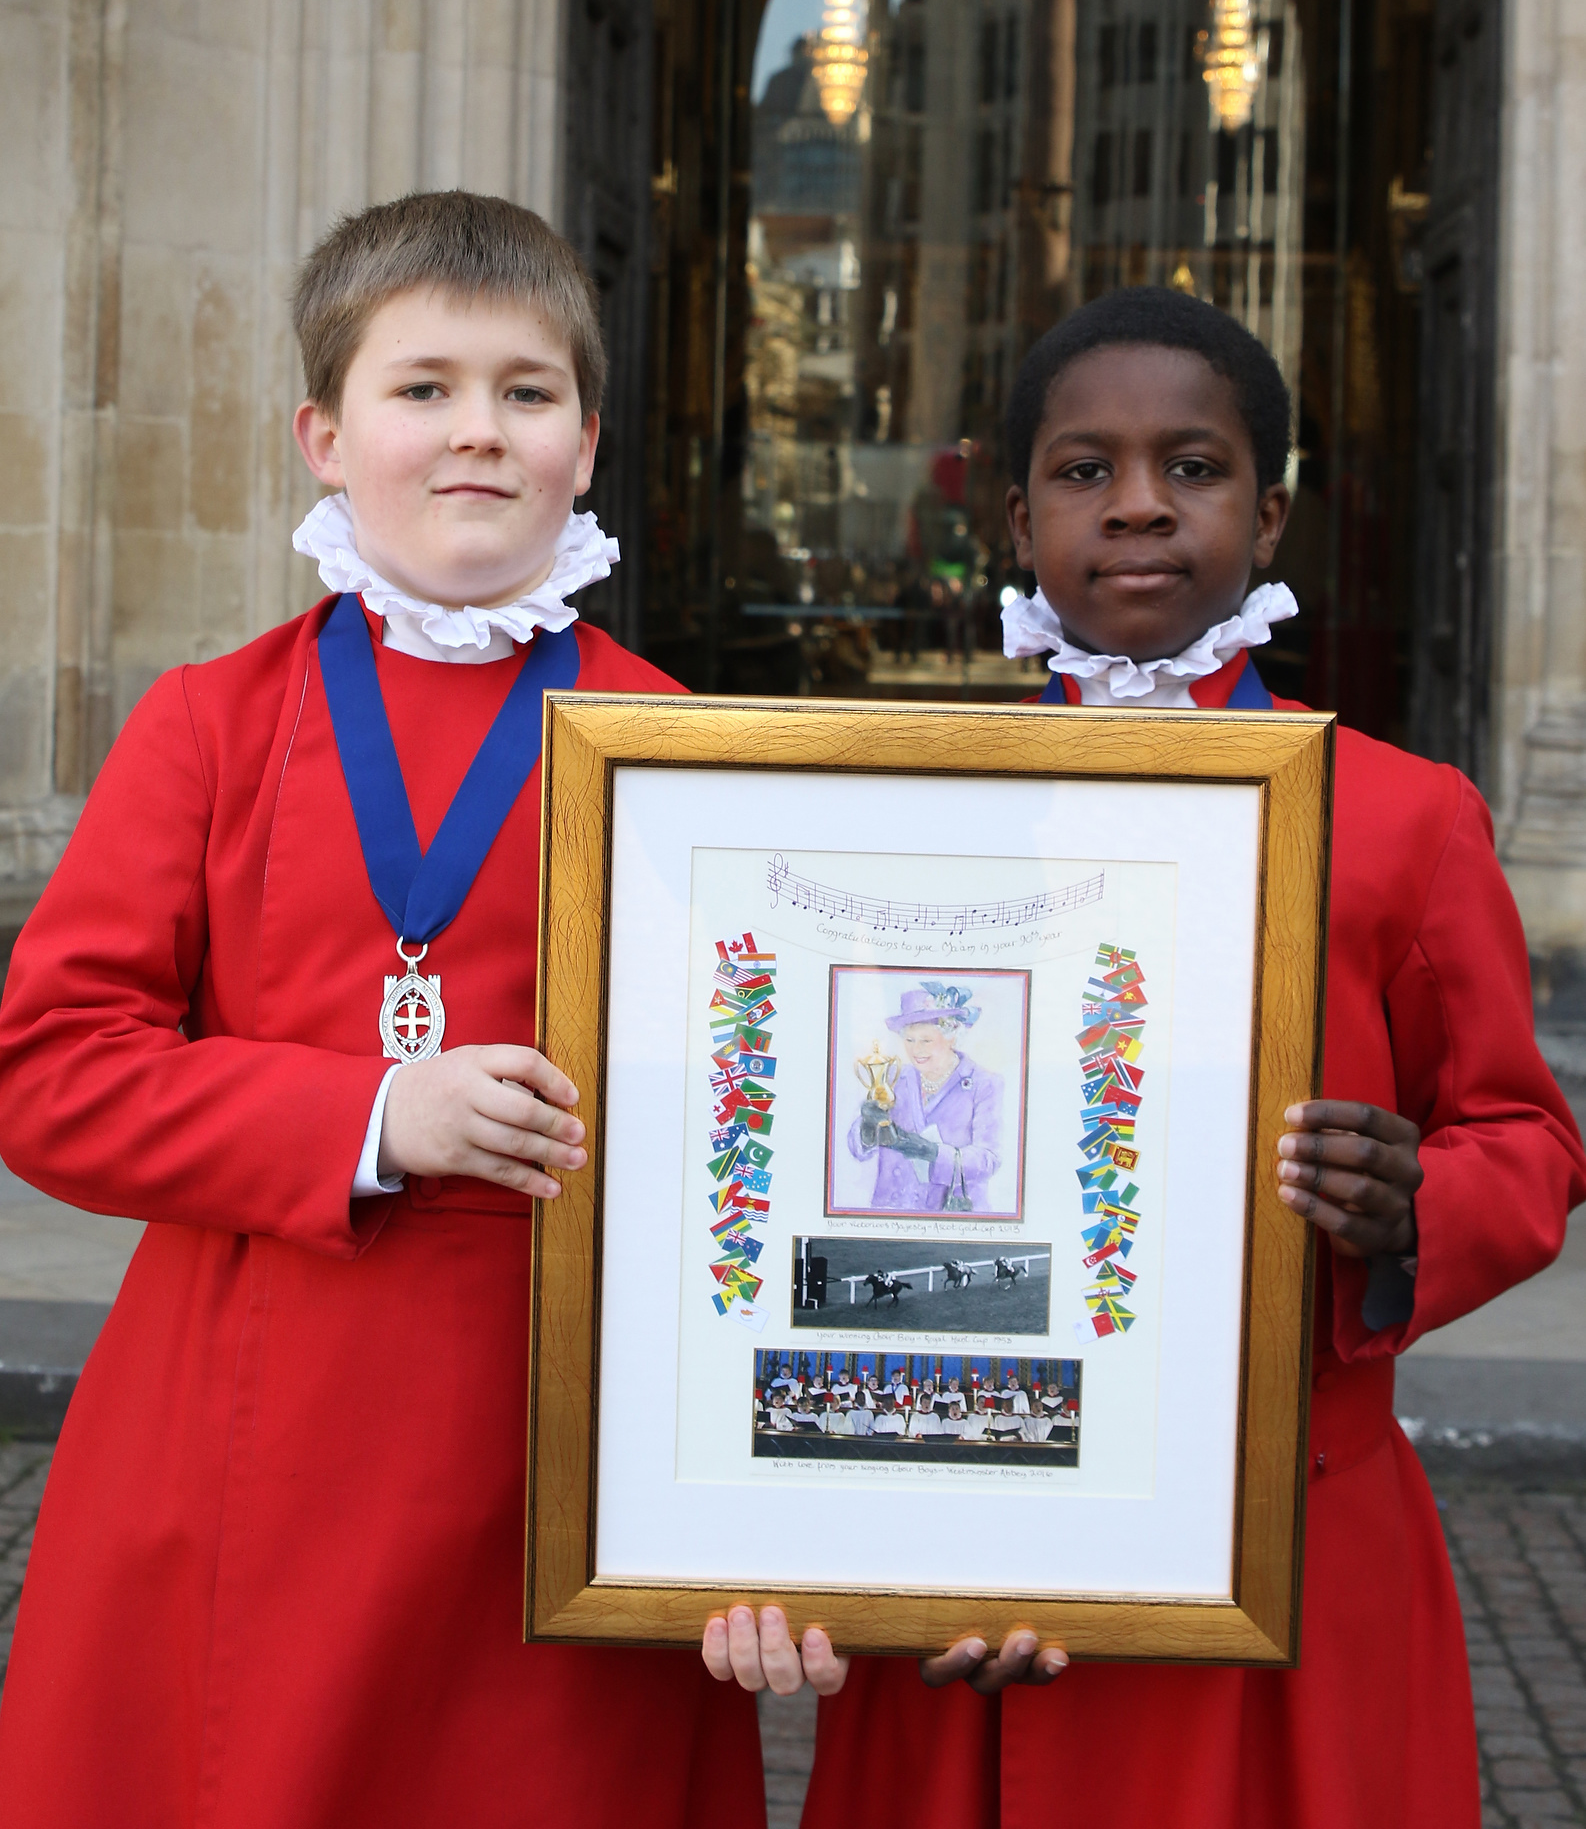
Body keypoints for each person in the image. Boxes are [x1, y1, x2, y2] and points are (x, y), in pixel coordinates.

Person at [704, 286, 1585, 1829]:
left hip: (1281, 1535)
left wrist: (1410, 1204)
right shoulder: (899, 817)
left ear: (1271, 510)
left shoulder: (1398, 815)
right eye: (1081, 469)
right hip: (960, 1516)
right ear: (1013, 511)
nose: (1135, 506)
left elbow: (1523, 1134)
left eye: (1191, 467)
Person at [0, 193, 763, 1829]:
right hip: (245, 1418)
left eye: (525, 391)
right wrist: (365, 1117)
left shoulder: (691, 745)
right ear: (324, 435)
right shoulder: (208, 723)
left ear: (587, 438)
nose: (475, 432)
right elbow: (53, 1077)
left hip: (566, 1439)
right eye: (422, 388)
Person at [846, 985, 1004, 1213]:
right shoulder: (894, 1077)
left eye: (926, 1041)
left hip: (950, 1216)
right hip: (891, 1212)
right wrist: (867, 1129)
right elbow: (857, 1149)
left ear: (952, 1036)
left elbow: (989, 1160)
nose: (916, 1050)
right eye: (909, 1040)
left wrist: (931, 1152)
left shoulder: (985, 1084)